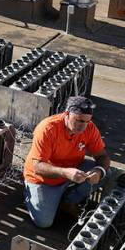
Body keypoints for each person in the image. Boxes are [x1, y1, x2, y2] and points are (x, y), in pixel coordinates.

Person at [23, 96, 110, 228]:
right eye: (79, 120)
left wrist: (98, 171)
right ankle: (29, 192)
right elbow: (38, 166)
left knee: (106, 173)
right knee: (44, 222)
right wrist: (65, 173)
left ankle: (68, 201)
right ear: (67, 114)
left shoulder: (90, 128)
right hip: (43, 179)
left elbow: (102, 156)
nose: (83, 126)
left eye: (87, 121)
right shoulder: (48, 128)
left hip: (73, 171)